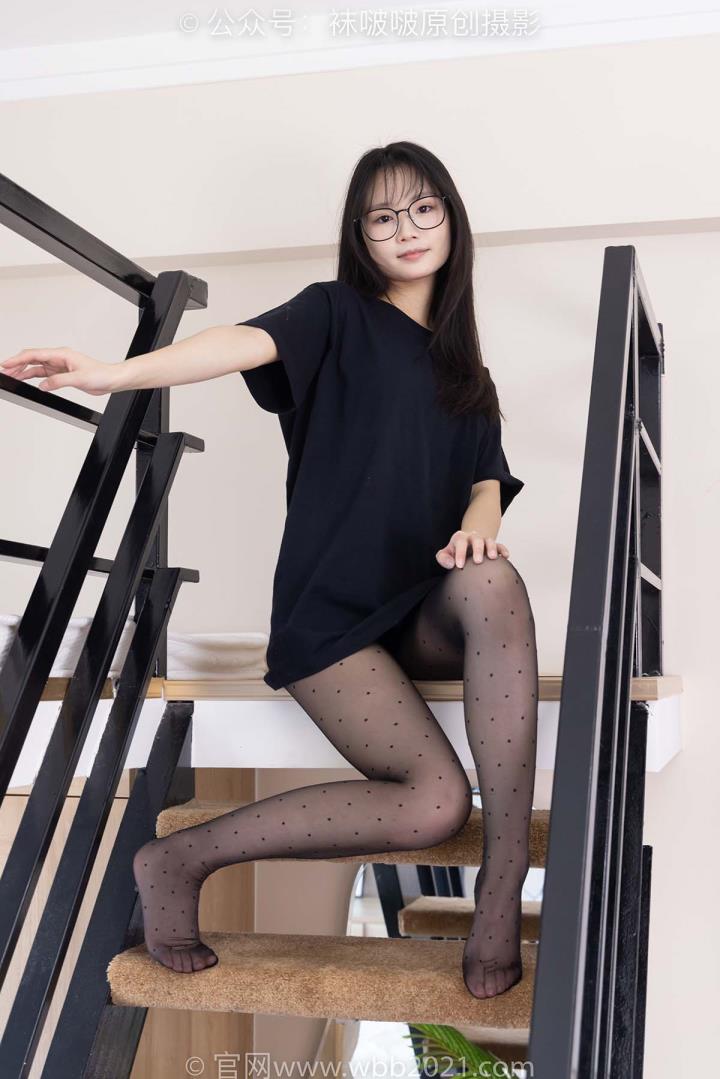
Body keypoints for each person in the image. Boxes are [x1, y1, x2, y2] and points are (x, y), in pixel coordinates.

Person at [0, 141, 538, 1001]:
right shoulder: (334, 314)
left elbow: (486, 484)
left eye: (423, 208)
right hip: (334, 614)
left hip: (422, 608)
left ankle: (501, 889)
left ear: (451, 220)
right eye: (383, 216)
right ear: (360, 236)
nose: (406, 229)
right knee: (436, 804)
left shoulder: (469, 376)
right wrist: (110, 374)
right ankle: (178, 858)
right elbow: (234, 341)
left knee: (495, 580)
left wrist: (478, 532)